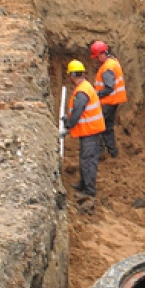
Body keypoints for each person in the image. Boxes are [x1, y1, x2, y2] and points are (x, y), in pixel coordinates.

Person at [62, 60, 105, 201]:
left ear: (73, 75)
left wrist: (69, 125)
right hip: (89, 131)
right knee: (84, 159)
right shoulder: (84, 87)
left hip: (91, 132)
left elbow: (78, 111)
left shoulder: (82, 92)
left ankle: (89, 191)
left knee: (88, 161)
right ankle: (83, 184)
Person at [90, 40, 127, 158]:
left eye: (97, 57)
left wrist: (96, 94)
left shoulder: (107, 68)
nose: (96, 60)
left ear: (102, 54)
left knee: (96, 126)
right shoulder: (113, 62)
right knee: (108, 127)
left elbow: (109, 87)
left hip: (108, 102)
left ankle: (99, 152)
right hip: (113, 102)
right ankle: (113, 152)